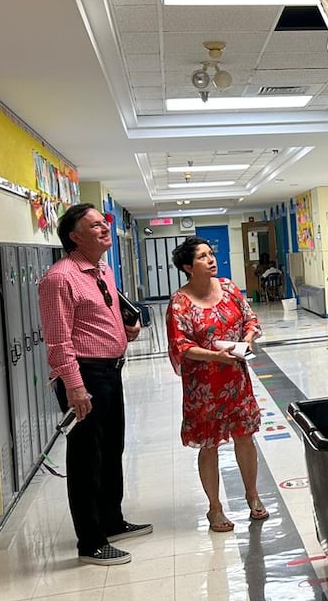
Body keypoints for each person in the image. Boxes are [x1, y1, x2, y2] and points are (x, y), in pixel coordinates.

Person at [39, 203, 151, 566]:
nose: (105, 229)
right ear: (75, 236)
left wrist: (126, 330)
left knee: (112, 447)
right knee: (87, 457)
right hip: (84, 375)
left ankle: (111, 521)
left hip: (109, 371)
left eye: (105, 224)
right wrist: (73, 386)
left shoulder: (102, 271)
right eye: (95, 225)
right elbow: (58, 341)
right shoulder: (59, 278)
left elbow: (103, 316)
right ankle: (90, 540)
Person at [166, 236, 269, 532]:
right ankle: (215, 508)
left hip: (235, 378)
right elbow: (180, 345)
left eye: (211, 254)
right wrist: (215, 356)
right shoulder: (180, 303)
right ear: (188, 266)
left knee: (244, 436)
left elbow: (250, 319)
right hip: (204, 386)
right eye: (202, 256)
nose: (211, 259)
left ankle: (253, 495)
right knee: (209, 444)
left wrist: (247, 339)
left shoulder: (228, 287)